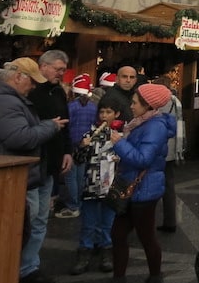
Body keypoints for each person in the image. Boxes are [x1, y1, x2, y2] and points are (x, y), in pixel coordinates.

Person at [0, 57, 67, 283]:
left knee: (24, 228)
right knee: (13, 232)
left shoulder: (6, 100)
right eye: (31, 81)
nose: (32, 86)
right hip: (8, 179)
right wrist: (49, 126)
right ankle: (16, 271)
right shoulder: (4, 102)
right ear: (18, 77)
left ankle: (23, 269)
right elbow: (20, 138)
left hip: (16, 176)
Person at [109, 82, 176, 283]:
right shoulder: (140, 122)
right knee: (118, 234)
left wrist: (119, 144)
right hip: (133, 186)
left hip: (144, 190)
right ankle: (119, 277)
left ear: (148, 106)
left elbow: (143, 159)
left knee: (146, 238)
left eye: (135, 102)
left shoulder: (154, 127)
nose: (131, 105)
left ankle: (155, 276)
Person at [26, 49, 73, 280]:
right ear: (42, 66)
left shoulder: (58, 92)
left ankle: (30, 266)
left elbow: (66, 124)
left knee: (41, 218)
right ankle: (21, 266)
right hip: (33, 164)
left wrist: (67, 151)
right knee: (30, 217)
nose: (61, 74)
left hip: (51, 164)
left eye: (63, 70)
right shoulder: (31, 92)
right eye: (58, 69)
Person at [71, 97, 125, 275]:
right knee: (89, 223)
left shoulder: (120, 136)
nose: (104, 115)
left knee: (108, 223)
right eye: (102, 112)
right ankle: (84, 253)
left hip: (110, 186)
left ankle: (106, 252)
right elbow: (78, 160)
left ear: (116, 114)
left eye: (108, 112)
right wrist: (82, 147)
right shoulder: (89, 134)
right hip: (91, 184)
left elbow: (126, 160)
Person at [62, 73, 98, 220]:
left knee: (70, 177)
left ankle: (73, 205)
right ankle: (79, 203)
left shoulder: (70, 106)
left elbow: (66, 125)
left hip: (71, 144)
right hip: (85, 144)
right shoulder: (93, 107)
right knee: (81, 176)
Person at [152, 77, 185, 234]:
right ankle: (170, 221)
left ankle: (146, 221)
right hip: (171, 148)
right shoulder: (175, 101)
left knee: (150, 183)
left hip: (157, 147)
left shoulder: (157, 102)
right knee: (169, 185)